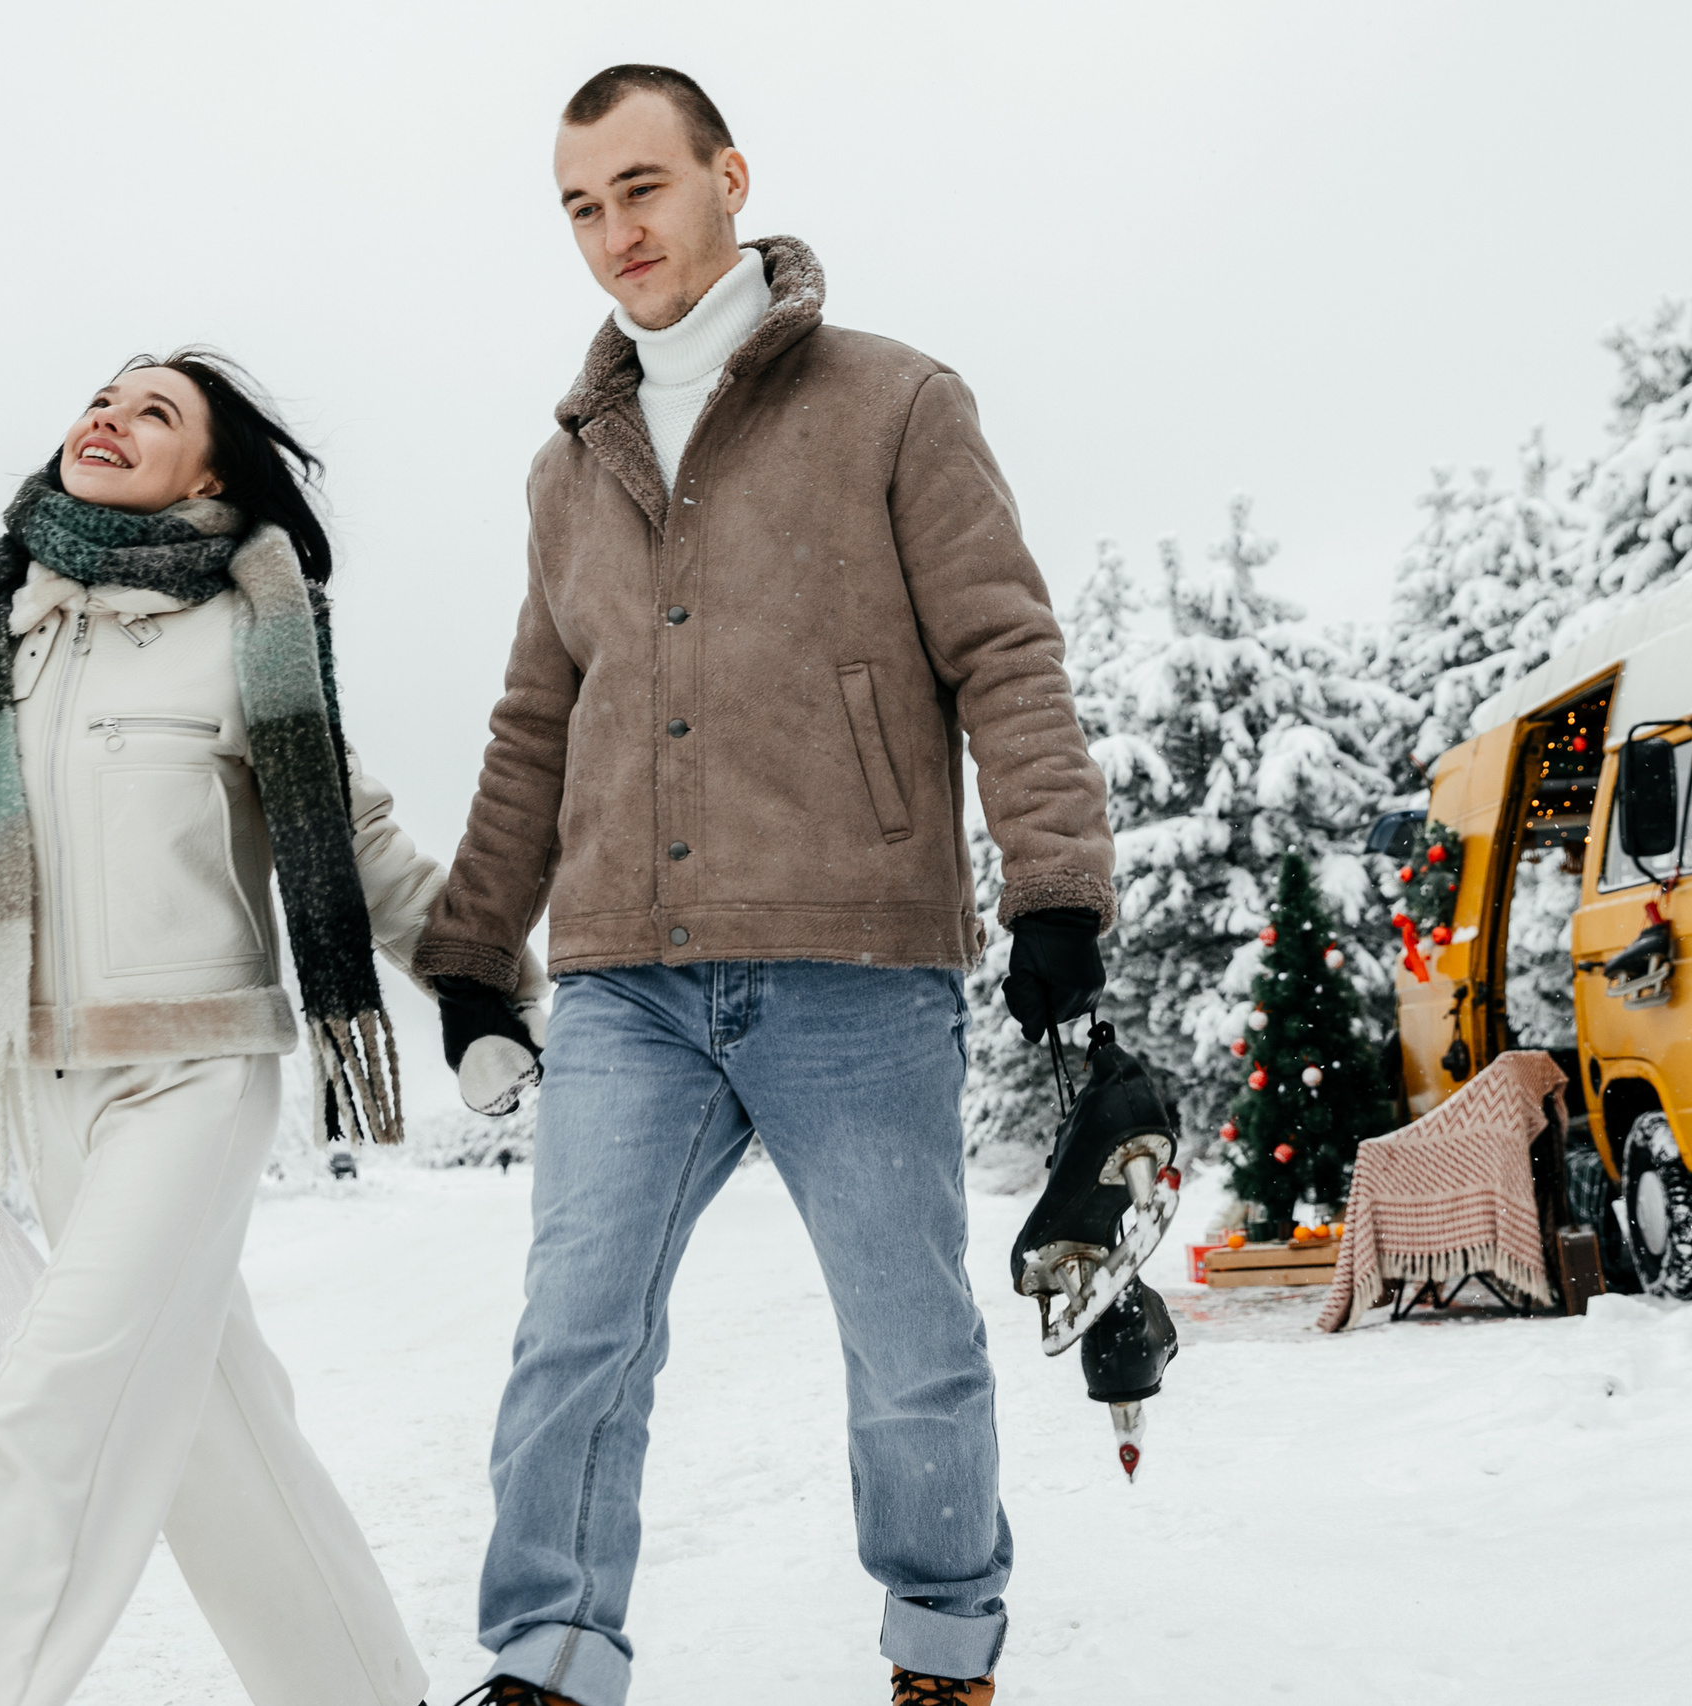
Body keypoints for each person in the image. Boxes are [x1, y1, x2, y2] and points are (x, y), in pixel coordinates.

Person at [420, 65, 1116, 1706]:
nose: (615, 231)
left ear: (729, 178)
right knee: (576, 1332)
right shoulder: (569, 469)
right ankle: (549, 1659)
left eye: (642, 188)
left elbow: (1004, 651)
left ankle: (942, 1647)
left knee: (908, 1337)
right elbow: (538, 720)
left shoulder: (895, 402)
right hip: (627, 980)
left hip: (851, 961)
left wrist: (1055, 887)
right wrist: (473, 953)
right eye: (581, 207)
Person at [0, 349, 544, 1706]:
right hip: (40, 1085)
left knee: (52, 1419)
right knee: (217, 1439)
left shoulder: (247, 626)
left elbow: (352, 842)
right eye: (101, 399)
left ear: (208, 475)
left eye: (154, 412)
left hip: (191, 1072)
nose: (109, 418)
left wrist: (483, 984)